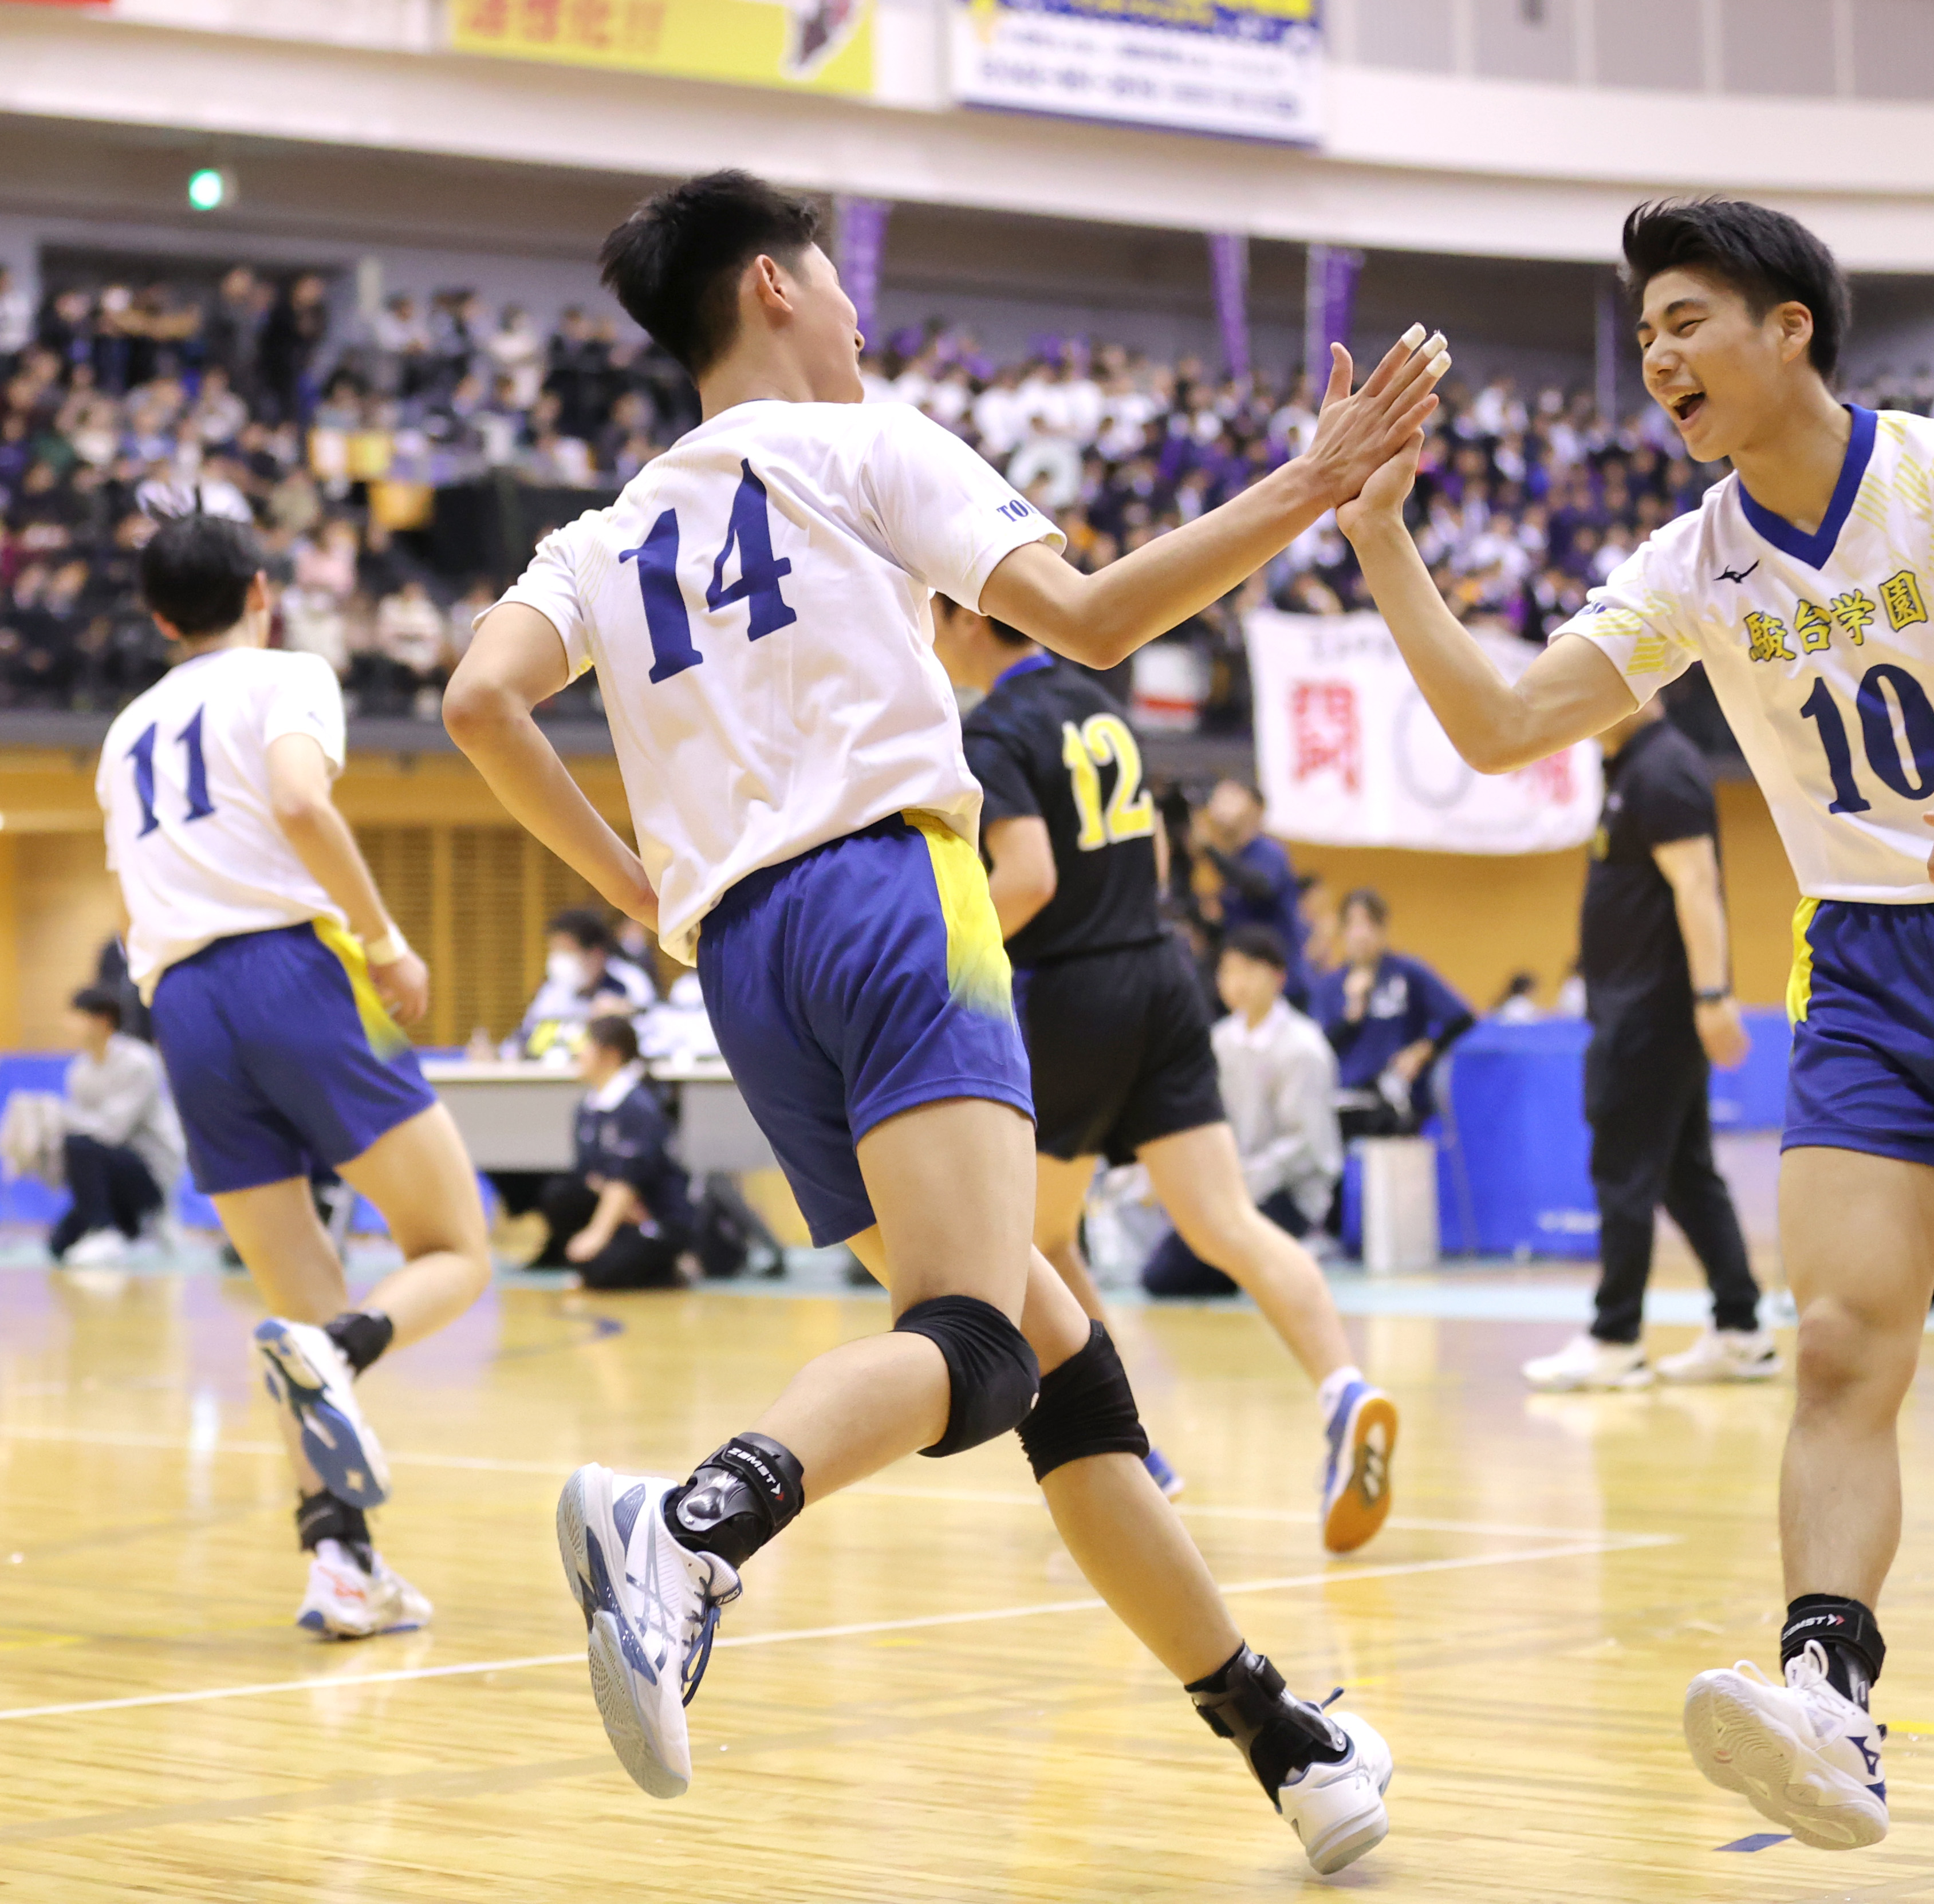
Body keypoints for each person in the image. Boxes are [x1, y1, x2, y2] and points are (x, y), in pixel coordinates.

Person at [444, 170, 1441, 1864]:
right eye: (837, 287)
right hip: (898, 904)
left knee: (1057, 1363)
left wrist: (636, 888)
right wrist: (1315, 479)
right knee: (973, 1341)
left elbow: (479, 698)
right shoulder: (864, 439)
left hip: (750, 963)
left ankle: (1282, 1733)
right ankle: (695, 1522)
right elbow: (1105, 618)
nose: (854, 318)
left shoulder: (605, 533)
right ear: (773, 285)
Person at [1337, 199, 1934, 1892]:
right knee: (1841, 1349)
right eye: (1641, 337)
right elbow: (1496, 726)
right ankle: (1830, 1688)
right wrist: (1384, 540)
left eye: (1686, 320)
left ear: (1791, 331)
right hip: (1858, 958)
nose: (1658, 358)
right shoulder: (1693, 556)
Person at [100, 511, 494, 1639]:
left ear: (161, 618)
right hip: (294, 971)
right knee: (453, 1249)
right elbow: (301, 803)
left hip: (181, 1002)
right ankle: (344, 1350)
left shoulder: (124, 727)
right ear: (262, 591)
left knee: (294, 1298)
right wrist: (384, 939)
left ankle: (339, 1564)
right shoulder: (286, 675)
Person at [932, 602, 1396, 1545]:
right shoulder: (1102, 707)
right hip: (1162, 974)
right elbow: (1133, 855)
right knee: (1224, 1221)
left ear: (963, 618)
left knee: (1036, 1239)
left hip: (1074, 991)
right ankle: (1345, 1391)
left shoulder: (993, 727)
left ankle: (1126, 1441)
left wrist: (941, 948)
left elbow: (1024, 879)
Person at [1522, 697, 1772, 1392]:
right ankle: (1742, 1328)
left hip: (1650, 1014)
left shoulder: (1663, 769)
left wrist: (1713, 996)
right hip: (1638, 1010)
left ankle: (1615, 1336)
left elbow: (1698, 885)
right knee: (1684, 1174)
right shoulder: (1633, 768)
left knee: (1624, 1170)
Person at [1140, 927, 1345, 1296]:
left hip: (1288, 1194)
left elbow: (1307, 1146)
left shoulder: (1303, 1047)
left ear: (1278, 977)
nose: (1237, 983)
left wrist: (1240, 1187)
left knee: (1208, 1265)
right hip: (1230, 1191)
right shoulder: (1219, 1041)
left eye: (1249, 970)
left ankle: (1296, 1249)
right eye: (1228, 972)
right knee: (1162, 1277)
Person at [536, 1015, 695, 1291]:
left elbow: (627, 1182)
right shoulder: (587, 1108)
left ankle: (671, 1266)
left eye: (585, 1046)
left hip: (653, 1215)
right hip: (620, 1209)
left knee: (601, 1269)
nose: (578, 1053)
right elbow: (591, 1175)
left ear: (610, 1054)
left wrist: (597, 1236)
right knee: (559, 1195)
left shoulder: (636, 1107)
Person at [49, 985, 186, 1266]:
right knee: (59, 1244)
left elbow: (113, 1131)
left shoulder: (138, 1061)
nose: (68, 1024)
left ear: (102, 1020)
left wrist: (59, 1117)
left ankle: (116, 1228)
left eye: (77, 1016)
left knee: (78, 1142)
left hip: (148, 1171)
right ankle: (129, 1228)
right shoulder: (80, 1070)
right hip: (110, 1176)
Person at [1322, 890, 1475, 1136]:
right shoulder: (1330, 986)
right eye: (1353, 925)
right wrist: (1352, 1013)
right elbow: (1322, 1047)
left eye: (1370, 924)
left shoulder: (1407, 973)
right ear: (1343, 932)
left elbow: (1462, 1019)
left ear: (1383, 929)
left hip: (1399, 1106)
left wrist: (1422, 1051)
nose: (1361, 935)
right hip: (1345, 1106)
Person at [1194, 779, 1313, 1010]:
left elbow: (1260, 887)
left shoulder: (1268, 853)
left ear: (1255, 808)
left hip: (1281, 992)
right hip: (1244, 992)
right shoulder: (1234, 860)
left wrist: (1210, 850)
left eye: (1231, 798)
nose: (1220, 807)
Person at [517, 907, 656, 1058]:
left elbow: (655, 1031)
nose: (558, 960)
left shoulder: (631, 980)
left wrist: (623, 1018)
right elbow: (525, 1038)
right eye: (555, 951)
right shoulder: (552, 990)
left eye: (567, 951)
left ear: (596, 955)